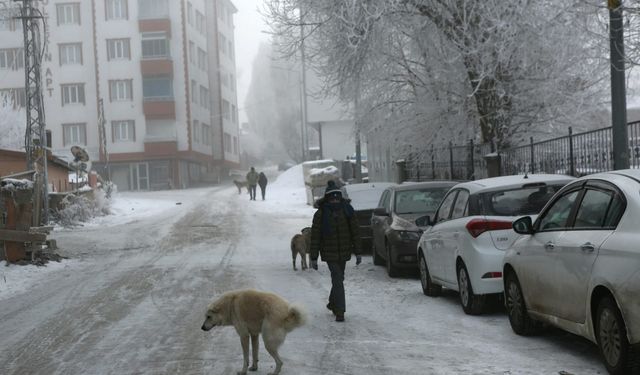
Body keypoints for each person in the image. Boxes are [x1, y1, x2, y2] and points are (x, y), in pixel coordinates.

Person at [309, 180, 362, 322]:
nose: (335, 200)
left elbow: (355, 232)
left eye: (337, 197)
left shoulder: (347, 211)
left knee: (339, 279)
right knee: (338, 279)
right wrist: (313, 257)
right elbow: (315, 237)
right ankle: (340, 311)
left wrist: (358, 252)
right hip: (329, 253)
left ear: (340, 197)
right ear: (327, 198)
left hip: (344, 253)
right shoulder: (321, 214)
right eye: (332, 198)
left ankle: (333, 303)